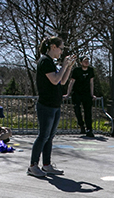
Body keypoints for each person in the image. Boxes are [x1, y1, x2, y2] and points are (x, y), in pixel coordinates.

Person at [28, 36, 76, 178]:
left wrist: (68, 67)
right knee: (43, 136)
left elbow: (62, 81)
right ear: (53, 47)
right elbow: (55, 80)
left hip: (55, 105)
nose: (61, 52)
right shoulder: (45, 62)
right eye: (61, 48)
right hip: (46, 105)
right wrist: (63, 66)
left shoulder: (52, 63)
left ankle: (47, 165)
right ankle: (32, 165)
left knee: (49, 137)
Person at [67, 56, 96, 138]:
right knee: (77, 109)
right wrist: (68, 93)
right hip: (77, 93)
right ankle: (81, 125)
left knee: (88, 112)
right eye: (84, 61)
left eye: (87, 61)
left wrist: (92, 94)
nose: (86, 62)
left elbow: (91, 83)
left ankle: (89, 129)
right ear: (81, 63)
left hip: (86, 94)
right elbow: (71, 82)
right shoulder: (76, 71)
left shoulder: (90, 70)